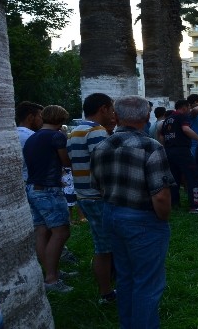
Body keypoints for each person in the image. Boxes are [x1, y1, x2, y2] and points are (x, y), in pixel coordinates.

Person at [91, 95, 174, 329]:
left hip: (112, 215)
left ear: (116, 116)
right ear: (146, 116)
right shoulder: (151, 146)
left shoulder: (101, 146)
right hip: (144, 219)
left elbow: (96, 185)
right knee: (147, 283)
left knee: (126, 279)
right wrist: (163, 218)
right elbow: (161, 194)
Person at [66, 93, 116, 303]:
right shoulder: (96, 132)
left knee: (103, 243)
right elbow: (103, 167)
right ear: (103, 109)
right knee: (104, 247)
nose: (113, 114)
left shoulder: (75, 131)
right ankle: (106, 293)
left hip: (83, 194)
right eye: (111, 109)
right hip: (97, 196)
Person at [23, 105, 73, 293]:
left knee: (42, 232)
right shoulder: (57, 136)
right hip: (48, 189)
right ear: (60, 120)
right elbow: (66, 161)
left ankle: (51, 273)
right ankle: (52, 279)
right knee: (60, 232)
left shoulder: (32, 137)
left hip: (32, 188)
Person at [161, 100, 198, 213]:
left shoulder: (168, 119)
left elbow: (162, 137)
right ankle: (195, 206)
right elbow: (186, 129)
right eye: (188, 108)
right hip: (182, 150)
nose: (189, 111)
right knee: (193, 177)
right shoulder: (182, 116)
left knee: (174, 179)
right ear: (184, 107)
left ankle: (174, 205)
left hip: (169, 151)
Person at [16, 101, 44, 181]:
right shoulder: (34, 137)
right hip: (30, 182)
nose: (42, 121)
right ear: (31, 118)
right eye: (40, 117)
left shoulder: (11, 135)